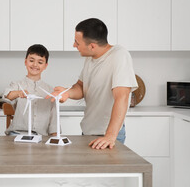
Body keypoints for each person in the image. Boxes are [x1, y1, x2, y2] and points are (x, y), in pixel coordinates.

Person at [49, 18, 137, 149]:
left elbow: (122, 98)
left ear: (92, 46)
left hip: (107, 136)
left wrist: (110, 136)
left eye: (77, 42)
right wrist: (67, 93)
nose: (74, 45)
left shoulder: (120, 56)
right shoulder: (90, 58)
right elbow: (80, 87)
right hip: (88, 132)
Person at [3, 44, 57, 136]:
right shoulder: (17, 85)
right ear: (25, 62)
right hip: (17, 133)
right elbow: (8, 96)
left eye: (40, 62)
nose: (35, 65)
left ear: (45, 66)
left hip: (41, 136)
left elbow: (54, 119)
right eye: (31, 60)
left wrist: (55, 137)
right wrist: (18, 93)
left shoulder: (50, 90)